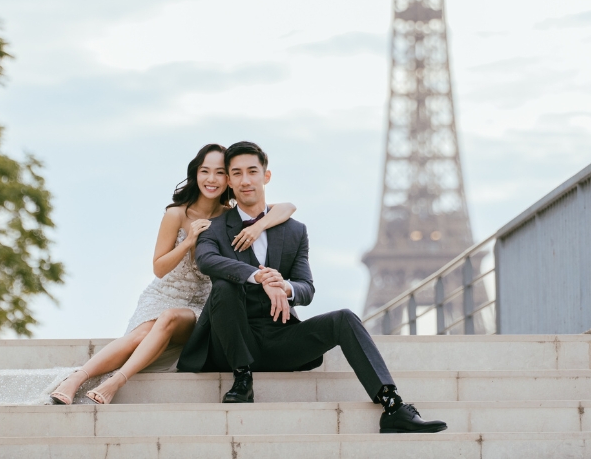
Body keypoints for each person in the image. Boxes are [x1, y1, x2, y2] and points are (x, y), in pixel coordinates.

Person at [177, 141, 447, 434]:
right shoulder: (213, 228)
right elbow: (207, 261)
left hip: (279, 338)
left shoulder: (294, 231)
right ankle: (242, 379)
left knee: (344, 317)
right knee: (224, 288)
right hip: (231, 344)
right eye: (237, 173)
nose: (245, 180)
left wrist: (285, 286)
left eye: (252, 171)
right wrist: (261, 277)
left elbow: (306, 287)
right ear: (228, 181)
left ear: (266, 176)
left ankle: (392, 405)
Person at [49, 143, 297, 405]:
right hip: (164, 293)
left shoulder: (230, 217)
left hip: (202, 305)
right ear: (195, 174)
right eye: (205, 171)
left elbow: (288, 207)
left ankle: (115, 382)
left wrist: (258, 228)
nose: (211, 179)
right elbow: (159, 267)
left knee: (167, 319)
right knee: (141, 334)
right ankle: (76, 379)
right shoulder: (177, 214)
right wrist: (189, 241)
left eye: (220, 173)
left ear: (230, 180)